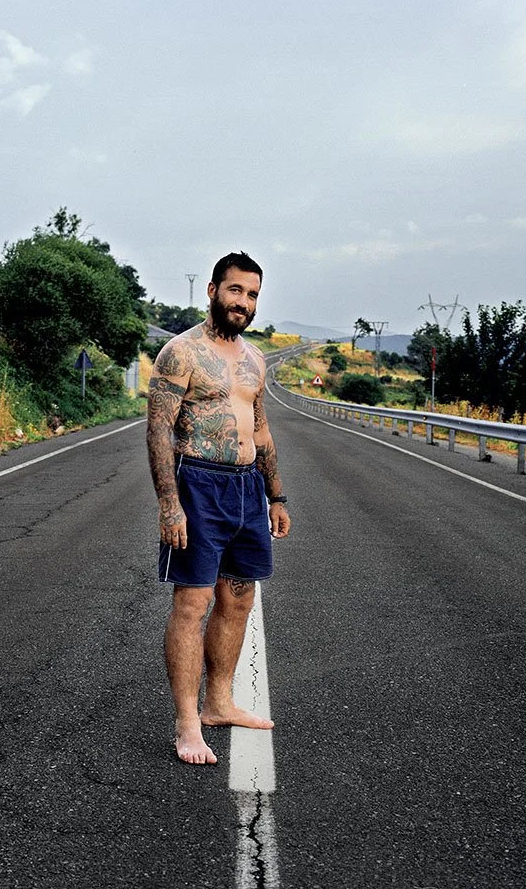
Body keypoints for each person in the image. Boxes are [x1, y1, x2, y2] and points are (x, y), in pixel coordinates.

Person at [146, 251, 291, 765]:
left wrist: (275, 495)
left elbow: (262, 429)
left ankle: (219, 703)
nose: (243, 303)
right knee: (193, 602)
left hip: (248, 489)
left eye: (252, 295)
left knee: (238, 600)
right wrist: (170, 504)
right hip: (197, 485)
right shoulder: (180, 353)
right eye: (235, 291)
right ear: (212, 291)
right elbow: (159, 429)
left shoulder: (254, 360)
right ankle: (188, 724)